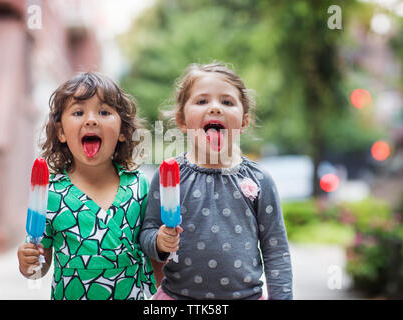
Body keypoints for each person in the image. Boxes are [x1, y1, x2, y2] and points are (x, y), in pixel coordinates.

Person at [140, 62, 293, 300]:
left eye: (227, 102)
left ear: (244, 121)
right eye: (202, 101)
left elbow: (276, 251)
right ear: (181, 120)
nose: (215, 108)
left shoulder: (260, 180)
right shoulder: (169, 174)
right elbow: (146, 233)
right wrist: (159, 241)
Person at [17, 72, 156, 300]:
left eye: (104, 112)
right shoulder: (50, 194)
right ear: (61, 132)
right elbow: (38, 270)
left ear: (122, 131)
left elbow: (153, 249)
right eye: (79, 112)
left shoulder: (139, 185)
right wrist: (28, 262)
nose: (91, 120)